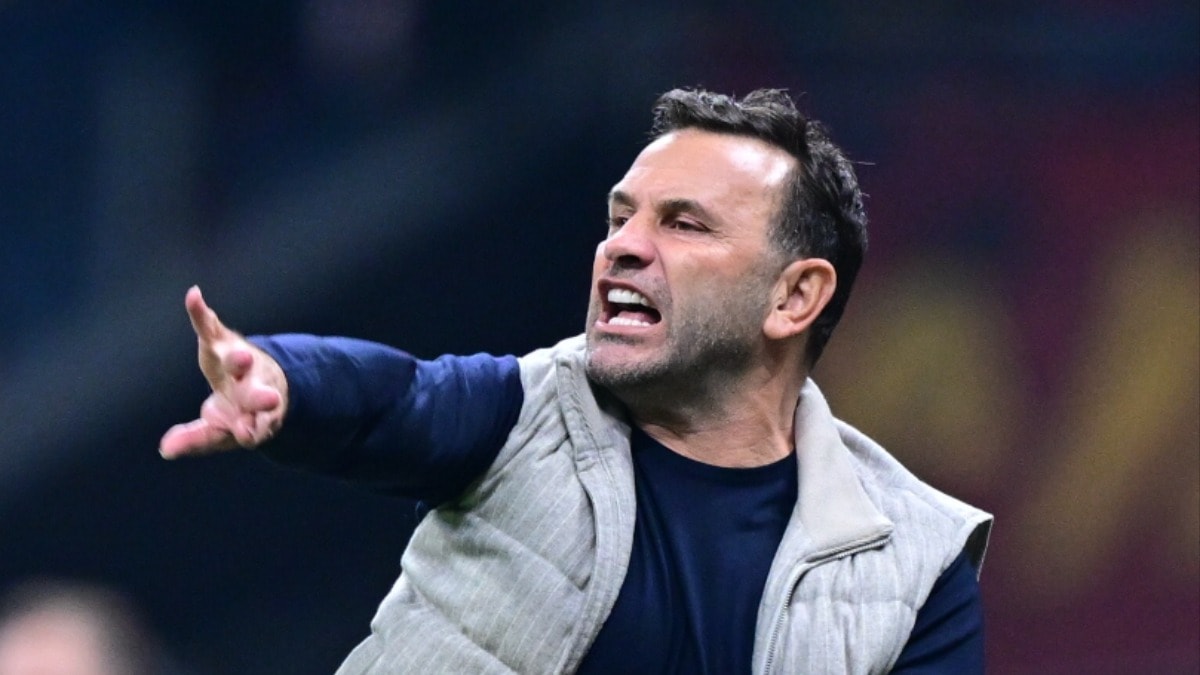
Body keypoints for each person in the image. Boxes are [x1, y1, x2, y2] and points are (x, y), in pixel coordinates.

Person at [160, 88, 993, 674]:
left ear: (795, 296)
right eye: (620, 216)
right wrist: (288, 381)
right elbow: (396, 397)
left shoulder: (917, 567)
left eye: (684, 224)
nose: (623, 246)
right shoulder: (523, 412)